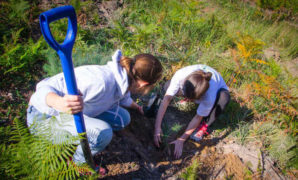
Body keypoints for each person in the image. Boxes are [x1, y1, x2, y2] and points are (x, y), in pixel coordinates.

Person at [27, 50, 163, 165]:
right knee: (103, 133)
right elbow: (42, 89)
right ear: (143, 84)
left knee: (123, 118)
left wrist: (136, 107)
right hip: (43, 119)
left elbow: (123, 96)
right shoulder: (100, 82)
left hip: (71, 113)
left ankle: (84, 139)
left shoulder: (124, 78)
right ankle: (77, 163)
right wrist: (58, 102)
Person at [154, 64, 230, 158]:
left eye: (192, 99)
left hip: (218, 91)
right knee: (167, 86)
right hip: (193, 87)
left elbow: (198, 117)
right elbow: (166, 99)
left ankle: (204, 125)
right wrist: (157, 127)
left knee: (224, 98)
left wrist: (182, 139)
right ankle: (187, 97)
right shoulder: (180, 75)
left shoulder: (209, 95)